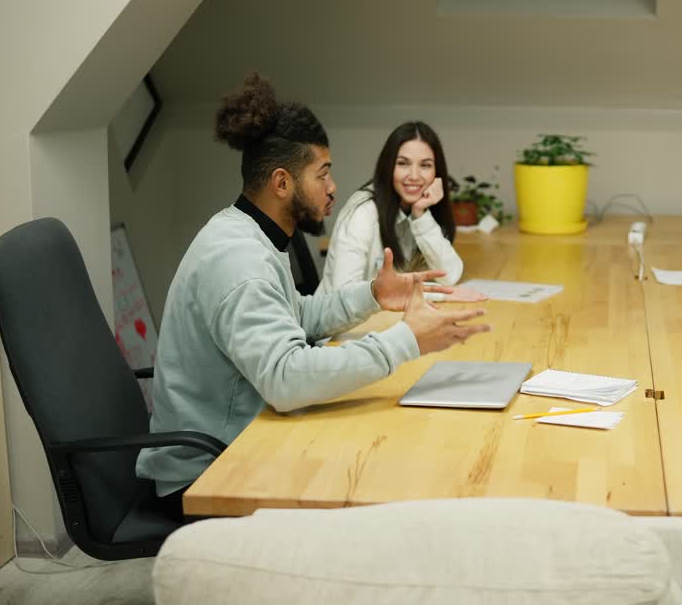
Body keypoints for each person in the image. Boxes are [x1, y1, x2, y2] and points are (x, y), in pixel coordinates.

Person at [136, 75, 490, 515]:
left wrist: (373, 294)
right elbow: (285, 379)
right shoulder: (240, 261)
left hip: (243, 440)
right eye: (322, 174)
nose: (333, 187)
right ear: (282, 183)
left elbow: (294, 314)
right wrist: (406, 341)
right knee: (389, 474)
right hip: (207, 473)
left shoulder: (248, 232)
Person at [319, 121, 482, 301]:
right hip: (339, 318)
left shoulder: (419, 207)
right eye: (403, 163)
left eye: (425, 165)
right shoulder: (363, 213)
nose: (414, 176)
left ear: (437, 172)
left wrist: (421, 215)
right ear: (388, 166)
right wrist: (438, 295)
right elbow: (344, 296)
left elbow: (450, 275)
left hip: (384, 315)